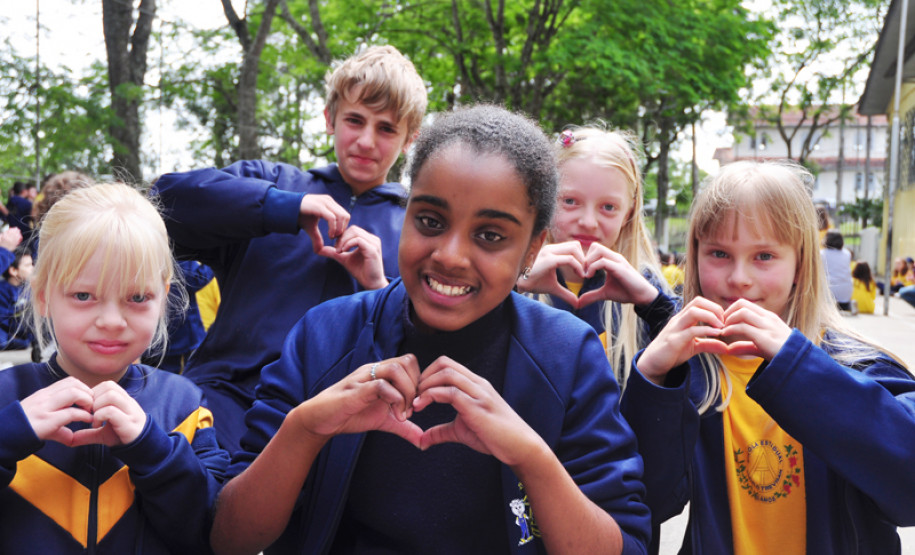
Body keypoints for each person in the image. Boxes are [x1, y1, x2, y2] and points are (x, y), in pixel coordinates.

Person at [211, 106, 650, 555]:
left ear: (534, 247)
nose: (451, 256)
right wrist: (303, 431)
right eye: (431, 222)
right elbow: (230, 536)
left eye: (491, 236)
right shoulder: (324, 336)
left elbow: (627, 544)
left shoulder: (567, 355)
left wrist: (531, 457)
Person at [620, 161, 915, 554]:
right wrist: (651, 378)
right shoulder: (693, 372)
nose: (739, 277)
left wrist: (799, 366)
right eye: (720, 253)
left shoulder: (860, 364)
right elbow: (647, 502)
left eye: (764, 256)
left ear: (800, 264)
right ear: (694, 255)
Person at [151, 45, 428, 454]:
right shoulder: (270, 181)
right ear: (330, 120)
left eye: (386, 128)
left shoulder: (419, 224)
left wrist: (378, 285)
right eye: (355, 120)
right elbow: (163, 202)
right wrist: (283, 207)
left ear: (410, 139)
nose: (367, 141)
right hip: (225, 403)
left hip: (347, 427)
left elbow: (432, 344)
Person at [0, 183, 229, 553]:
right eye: (83, 295)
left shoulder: (185, 407)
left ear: (163, 296)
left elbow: (210, 533)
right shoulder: (6, 396)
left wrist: (153, 450)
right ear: (43, 295)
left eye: (137, 297)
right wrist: (9, 433)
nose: (111, 320)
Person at [516, 126, 677, 387]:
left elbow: (694, 365)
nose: (589, 222)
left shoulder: (645, 287)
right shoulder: (512, 276)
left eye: (608, 207)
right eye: (569, 201)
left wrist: (653, 305)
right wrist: (513, 283)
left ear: (629, 213)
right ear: (546, 200)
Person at [142, 260, 214, 374]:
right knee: (179, 376)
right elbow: (197, 278)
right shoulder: (179, 252)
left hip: (151, 335)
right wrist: (213, 264)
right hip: (180, 336)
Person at [0, 246, 34, 351]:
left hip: (22, 331)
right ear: (13, 270)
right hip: (7, 331)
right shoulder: (3, 291)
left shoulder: (28, 287)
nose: (33, 268)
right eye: (28, 265)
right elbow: (3, 320)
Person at [820, 229, 854, 312]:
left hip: (828, 292)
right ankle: (847, 305)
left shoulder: (822, 254)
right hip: (845, 293)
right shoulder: (847, 254)